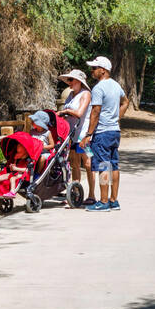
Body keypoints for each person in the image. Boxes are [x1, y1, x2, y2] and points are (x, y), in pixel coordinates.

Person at [79, 56, 125, 211]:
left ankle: (104, 202)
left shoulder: (99, 88)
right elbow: (125, 102)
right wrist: (116, 118)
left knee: (103, 165)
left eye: (94, 68)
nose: (92, 71)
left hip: (102, 133)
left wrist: (88, 134)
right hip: (114, 131)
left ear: (103, 70)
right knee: (114, 165)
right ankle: (114, 200)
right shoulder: (116, 85)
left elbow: (95, 111)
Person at [59, 69, 95, 206]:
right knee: (74, 165)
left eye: (71, 80)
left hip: (85, 137)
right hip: (73, 136)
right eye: (68, 80)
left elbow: (79, 113)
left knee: (88, 164)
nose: (69, 83)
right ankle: (75, 193)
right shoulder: (71, 95)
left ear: (79, 81)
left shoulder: (85, 94)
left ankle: (92, 195)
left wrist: (65, 112)